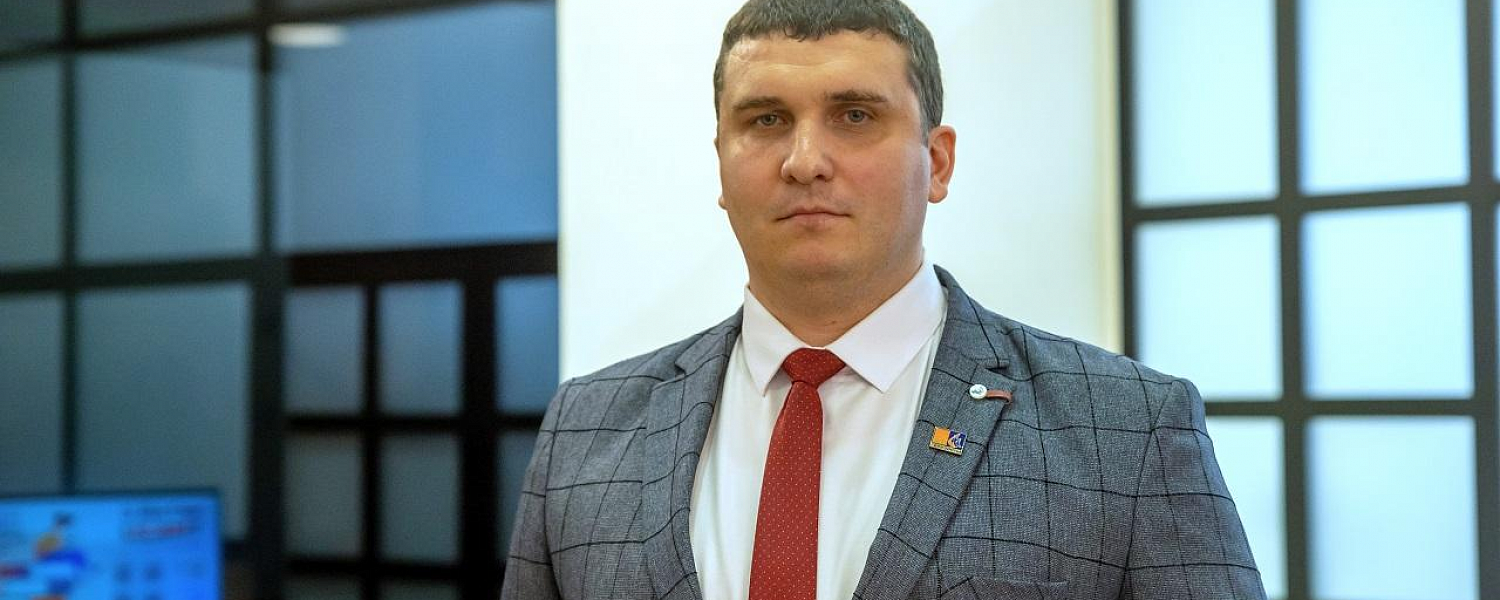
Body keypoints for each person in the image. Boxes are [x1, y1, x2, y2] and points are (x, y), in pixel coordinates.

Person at [502, 0, 1265, 598]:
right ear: (722, 165)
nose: (805, 161)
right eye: (766, 120)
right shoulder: (586, 428)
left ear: (938, 163)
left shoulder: (1126, 431)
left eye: (855, 115)